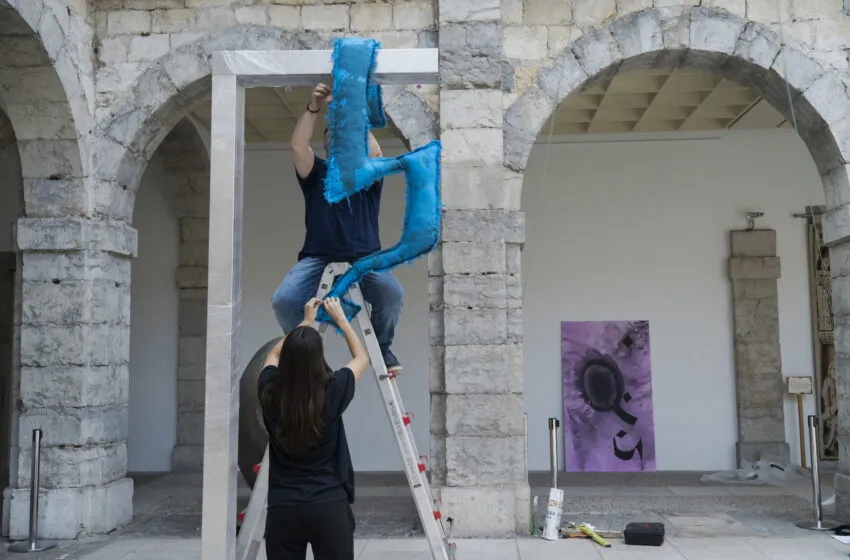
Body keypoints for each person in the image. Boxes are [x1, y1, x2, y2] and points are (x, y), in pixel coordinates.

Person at [271, 83, 405, 372]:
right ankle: (301, 353)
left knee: (391, 295)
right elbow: (297, 146)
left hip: (365, 258)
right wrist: (314, 107)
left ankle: (382, 348)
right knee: (284, 300)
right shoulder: (316, 173)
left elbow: (376, 151)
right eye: (333, 138)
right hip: (318, 258)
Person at [259, 296, 369, 560]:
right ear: (319, 358)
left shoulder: (270, 391)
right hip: (328, 506)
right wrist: (341, 320)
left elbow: (273, 355)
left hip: (283, 509)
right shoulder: (332, 391)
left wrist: (305, 322)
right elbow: (361, 357)